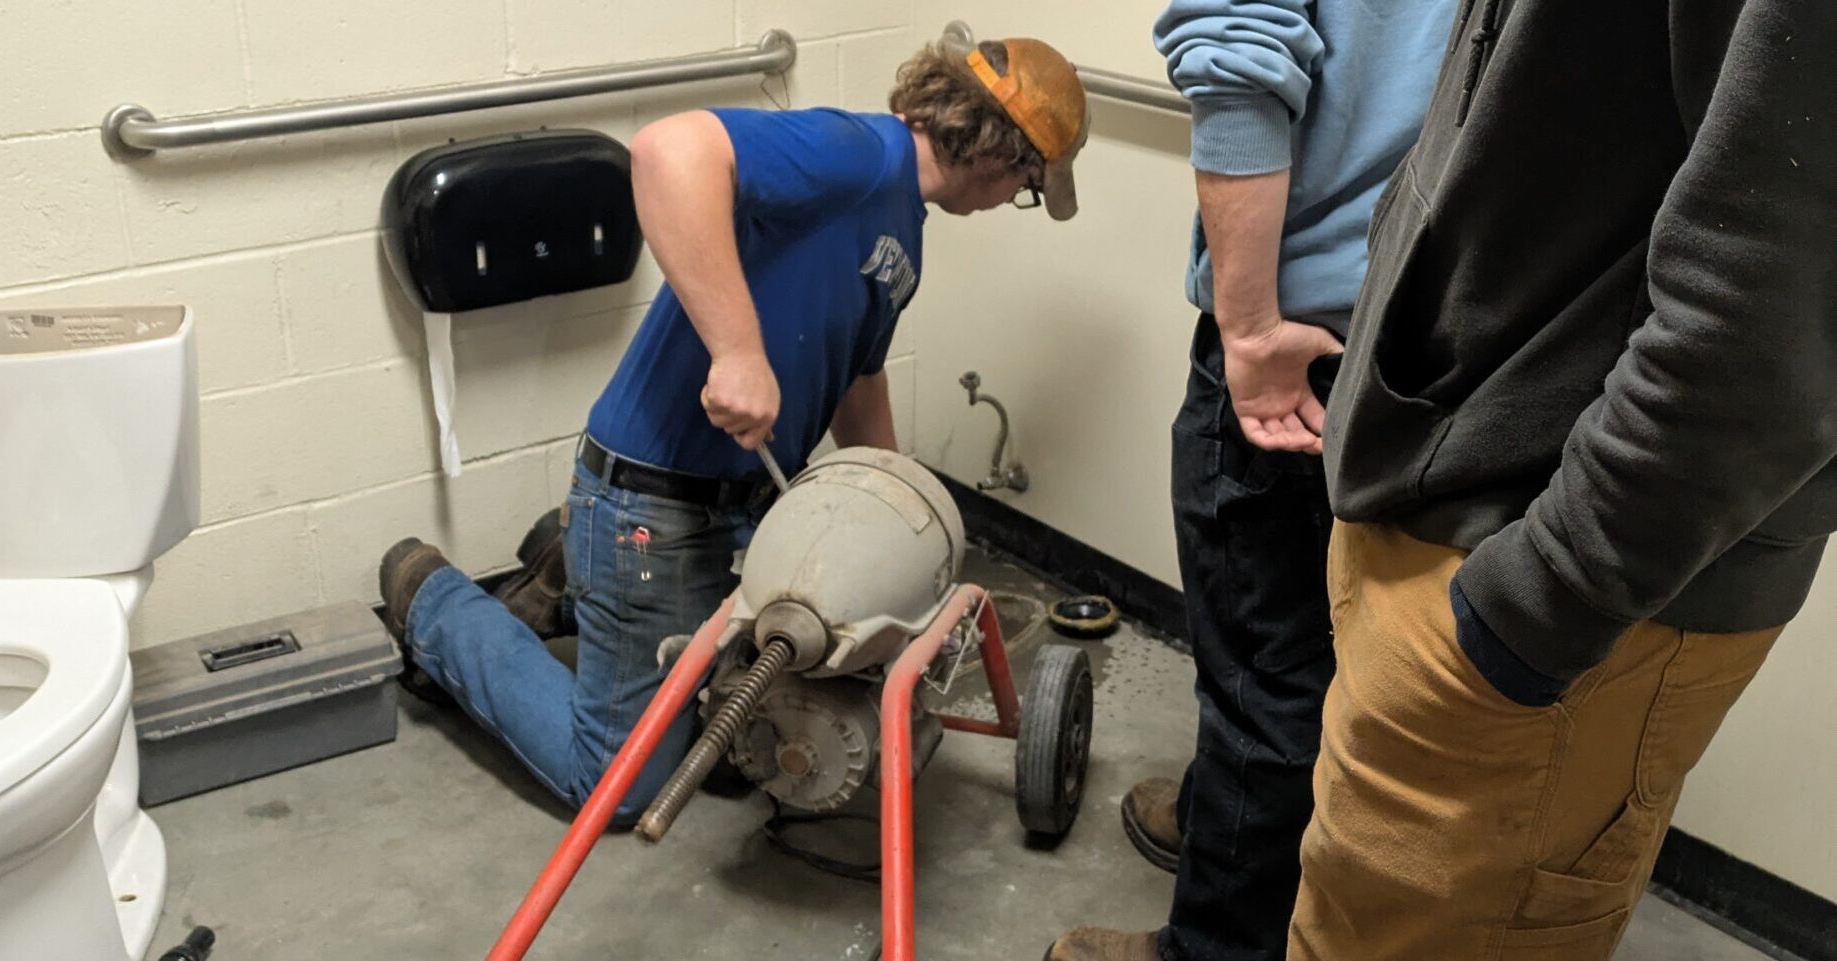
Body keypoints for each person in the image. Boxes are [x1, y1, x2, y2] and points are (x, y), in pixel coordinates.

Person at [375, 38, 1090, 822]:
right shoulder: (857, 154)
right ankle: (436, 603)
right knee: (620, 783)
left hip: (742, 505)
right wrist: (739, 351)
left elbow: (860, 375)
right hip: (653, 507)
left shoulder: (903, 227)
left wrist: (898, 504)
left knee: (736, 729)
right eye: (1029, 183)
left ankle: (573, 565)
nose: (1013, 198)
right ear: (1001, 151)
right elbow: (666, 152)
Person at [1289, 1, 1836, 957]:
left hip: (1541, 589)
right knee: (1345, 920)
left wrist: (1544, 596)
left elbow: (1775, 311)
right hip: (1435, 502)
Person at [1046, 1, 1452, 959]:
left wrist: (1252, 328)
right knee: (1350, 645)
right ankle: (1223, 822)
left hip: (1315, 336)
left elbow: (1237, 46)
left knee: (1269, 666)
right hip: (1463, 339)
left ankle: (1218, 945)